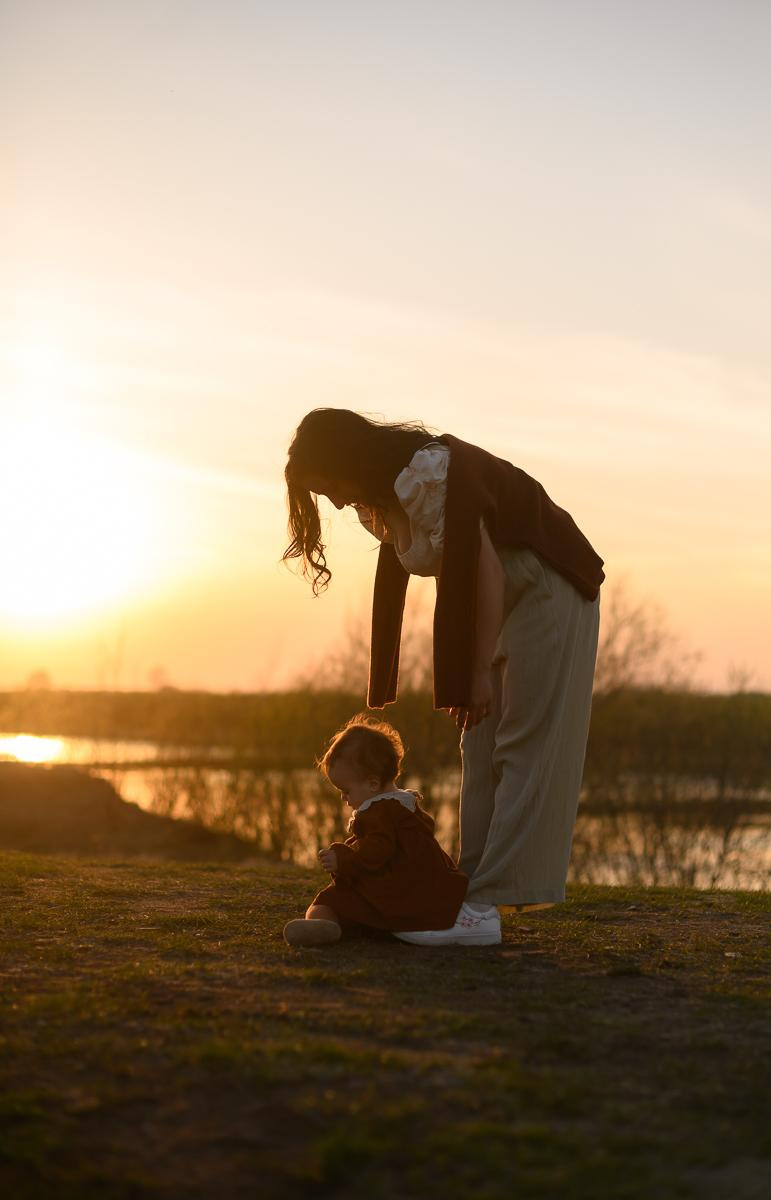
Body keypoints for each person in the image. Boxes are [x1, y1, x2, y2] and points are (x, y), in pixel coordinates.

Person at [283, 408, 603, 947]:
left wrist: (472, 670)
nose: (334, 501)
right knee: (477, 742)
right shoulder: (381, 503)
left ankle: (486, 902)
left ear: (347, 459)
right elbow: (456, 579)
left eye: (330, 485)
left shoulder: (427, 475)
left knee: (522, 742)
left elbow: (486, 569)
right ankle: (467, 894)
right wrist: (465, 670)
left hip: (547, 585)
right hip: (498, 599)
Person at [282, 715, 470, 947]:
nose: (343, 798)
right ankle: (342, 925)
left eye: (346, 791)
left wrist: (342, 859)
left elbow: (375, 853)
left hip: (395, 893)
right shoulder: (405, 805)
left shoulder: (379, 813)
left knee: (331, 898)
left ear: (372, 784)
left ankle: (322, 922)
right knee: (352, 898)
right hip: (419, 890)